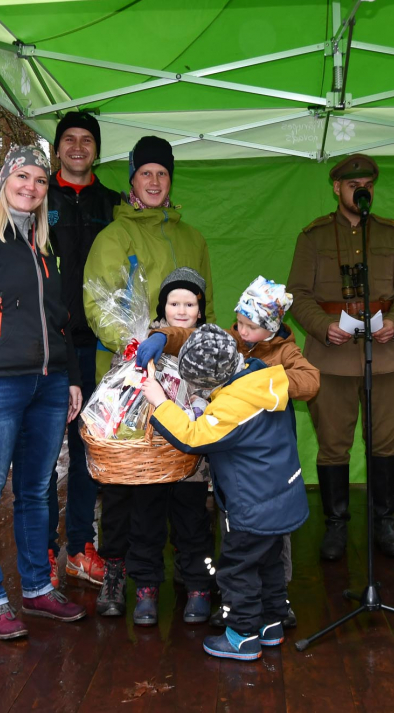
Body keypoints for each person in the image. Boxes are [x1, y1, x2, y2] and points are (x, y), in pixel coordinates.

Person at [0, 144, 87, 640]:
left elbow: (57, 321)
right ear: (4, 178)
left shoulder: (42, 244)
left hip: (47, 386)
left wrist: (67, 376)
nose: (31, 187)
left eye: (40, 180)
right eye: (22, 176)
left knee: (35, 491)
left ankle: (36, 589)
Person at [82, 135, 216, 617]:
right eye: (145, 173)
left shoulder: (192, 237)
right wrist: (137, 348)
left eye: (163, 173)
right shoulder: (114, 237)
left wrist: (196, 354)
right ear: (133, 179)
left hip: (186, 380)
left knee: (186, 474)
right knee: (124, 484)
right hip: (129, 377)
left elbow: (207, 307)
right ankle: (117, 572)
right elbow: (97, 301)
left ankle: (191, 571)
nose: (155, 181)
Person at [137, 275, 320, 628]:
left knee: (263, 549)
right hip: (250, 477)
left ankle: (261, 612)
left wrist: (263, 384)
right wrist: (163, 335)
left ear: (272, 328)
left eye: (250, 327)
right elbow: (198, 339)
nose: (241, 332)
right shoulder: (233, 340)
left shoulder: (283, 355)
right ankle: (261, 614)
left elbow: (311, 381)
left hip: (261, 476)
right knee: (244, 543)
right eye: (239, 323)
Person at [286, 154, 394, 560]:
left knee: (384, 443)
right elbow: (297, 293)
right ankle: (336, 526)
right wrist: (320, 326)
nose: (361, 190)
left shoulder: (391, 234)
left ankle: (384, 523)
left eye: (367, 185)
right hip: (332, 356)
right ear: (337, 188)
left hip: (386, 356)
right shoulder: (313, 237)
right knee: (333, 445)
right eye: (352, 185)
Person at [45, 112, 122, 588]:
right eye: (69, 140)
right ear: (58, 149)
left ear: (96, 149)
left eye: (86, 140)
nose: (77, 147)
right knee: (40, 453)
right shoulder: (37, 196)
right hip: (47, 347)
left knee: (87, 450)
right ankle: (42, 550)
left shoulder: (112, 204)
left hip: (93, 347)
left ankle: (79, 546)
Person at [125, 268, 215, 626]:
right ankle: (146, 586)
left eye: (189, 303)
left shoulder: (209, 343)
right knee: (145, 521)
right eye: (174, 302)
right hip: (150, 455)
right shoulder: (145, 341)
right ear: (162, 306)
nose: (181, 309)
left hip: (192, 458)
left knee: (193, 522)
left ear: (200, 308)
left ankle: (198, 586)